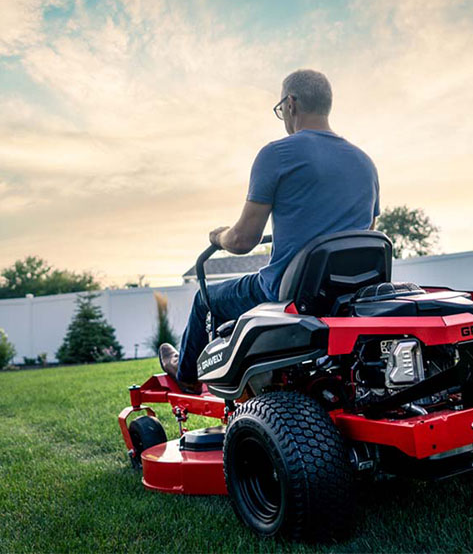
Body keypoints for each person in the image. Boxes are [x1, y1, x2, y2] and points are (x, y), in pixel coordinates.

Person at [159, 69, 380, 393]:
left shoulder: (278, 154)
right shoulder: (365, 163)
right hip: (350, 295)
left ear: (290, 104)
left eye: (281, 110)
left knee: (206, 300)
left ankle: (188, 375)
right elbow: (362, 234)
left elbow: (243, 240)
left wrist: (217, 236)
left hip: (287, 292)